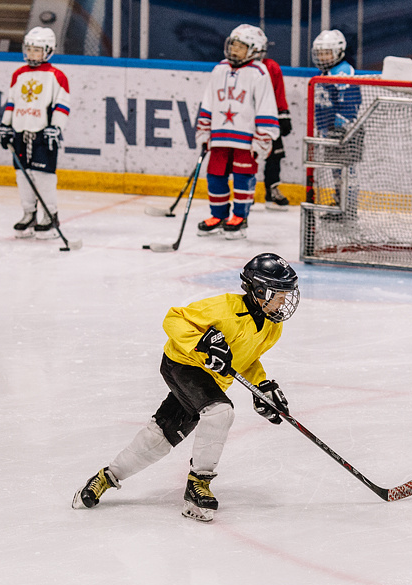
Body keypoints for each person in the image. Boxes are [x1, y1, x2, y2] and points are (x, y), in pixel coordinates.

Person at [72, 253, 300, 522]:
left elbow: (245, 358)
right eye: (279, 293)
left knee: (160, 436)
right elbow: (173, 319)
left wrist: (261, 386)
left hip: (210, 379)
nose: (284, 300)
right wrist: (204, 340)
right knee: (220, 411)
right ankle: (198, 485)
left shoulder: (272, 328)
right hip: (182, 364)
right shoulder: (224, 308)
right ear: (260, 290)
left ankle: (106, 477)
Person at [194, 25, 281, 239]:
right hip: (220, 137)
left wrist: (263, 138)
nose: (234, 50)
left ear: (254, 50)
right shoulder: (219, 69)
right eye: (232, 45)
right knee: (215, 177)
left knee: (243, 178)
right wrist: (204, 131)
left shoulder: (259, 73)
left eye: (240, 47)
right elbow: (208, 102)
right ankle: (218, 215)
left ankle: (239, 218)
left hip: (246, 139)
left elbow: (266, 107)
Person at [0, 27, 70, 238]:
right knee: (22, 175)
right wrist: (5, 125)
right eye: (29, 49)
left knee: (43, 176)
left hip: (42, 135)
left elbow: (62, 105)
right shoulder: (18, 74)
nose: (31, 54)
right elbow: (12, 102)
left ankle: (50, 216)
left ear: (48, 51)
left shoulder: (57, 76)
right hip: (20, 133)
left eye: (36, 50)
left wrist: (55, 128)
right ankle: (29, 213)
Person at [311, 29, 363, 221]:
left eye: (327, 53)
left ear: (339, 52)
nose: (323, 57)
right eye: (320, 53)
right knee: (337, 171)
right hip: (331, 131)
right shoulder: (324, 72)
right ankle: (339, 204)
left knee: (346, 172)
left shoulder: (343, 71)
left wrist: (340, 126)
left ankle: (348, 208)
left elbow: (350, 102)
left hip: (345, 132)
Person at [259, 43, 292, 211]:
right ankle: (243, 192)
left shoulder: (271, 66)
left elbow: (278, 92)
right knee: (243, 157)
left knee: (275, 155)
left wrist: (283, 114)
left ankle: (272, 190)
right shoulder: (236, 69)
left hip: (269, 117)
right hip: (244, 119)